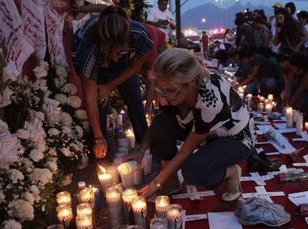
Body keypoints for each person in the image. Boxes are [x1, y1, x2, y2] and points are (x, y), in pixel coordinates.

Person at [126, 48, 253, 201]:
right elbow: (159, 122)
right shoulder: (169, 91)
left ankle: (231, 172)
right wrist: (142, 149)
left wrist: (156, 183)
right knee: (162, 124)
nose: (163, 95)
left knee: (193, 171)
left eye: (170, 90)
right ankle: (171, 182)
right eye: (160, 88)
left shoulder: (209, 100)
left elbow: (185, 152)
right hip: (202, 130)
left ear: (192, 82)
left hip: (234, 137)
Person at [72, 6, 154, 158]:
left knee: (135, 100)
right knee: (99, 103)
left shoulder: (139, 37)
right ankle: (102, 153)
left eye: (120, 53)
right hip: (97, 65)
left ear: (127, 42)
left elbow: (135, 67)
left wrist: (109, 86)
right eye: (111, 54)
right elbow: (90, 98)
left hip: (127, 66)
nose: (115, 59)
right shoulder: (89, 49)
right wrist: (99, 138)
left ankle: (145, 148)